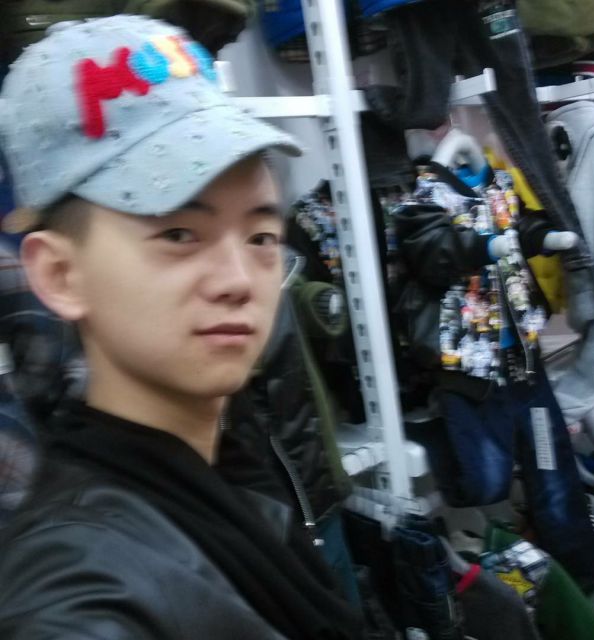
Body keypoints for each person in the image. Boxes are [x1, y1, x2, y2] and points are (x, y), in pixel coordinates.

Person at [0, 15, 362, 640]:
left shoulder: (236, 472)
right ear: (59, 274)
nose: (239, 279)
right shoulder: (74, 593)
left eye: (260, 236)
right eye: (178, 233)